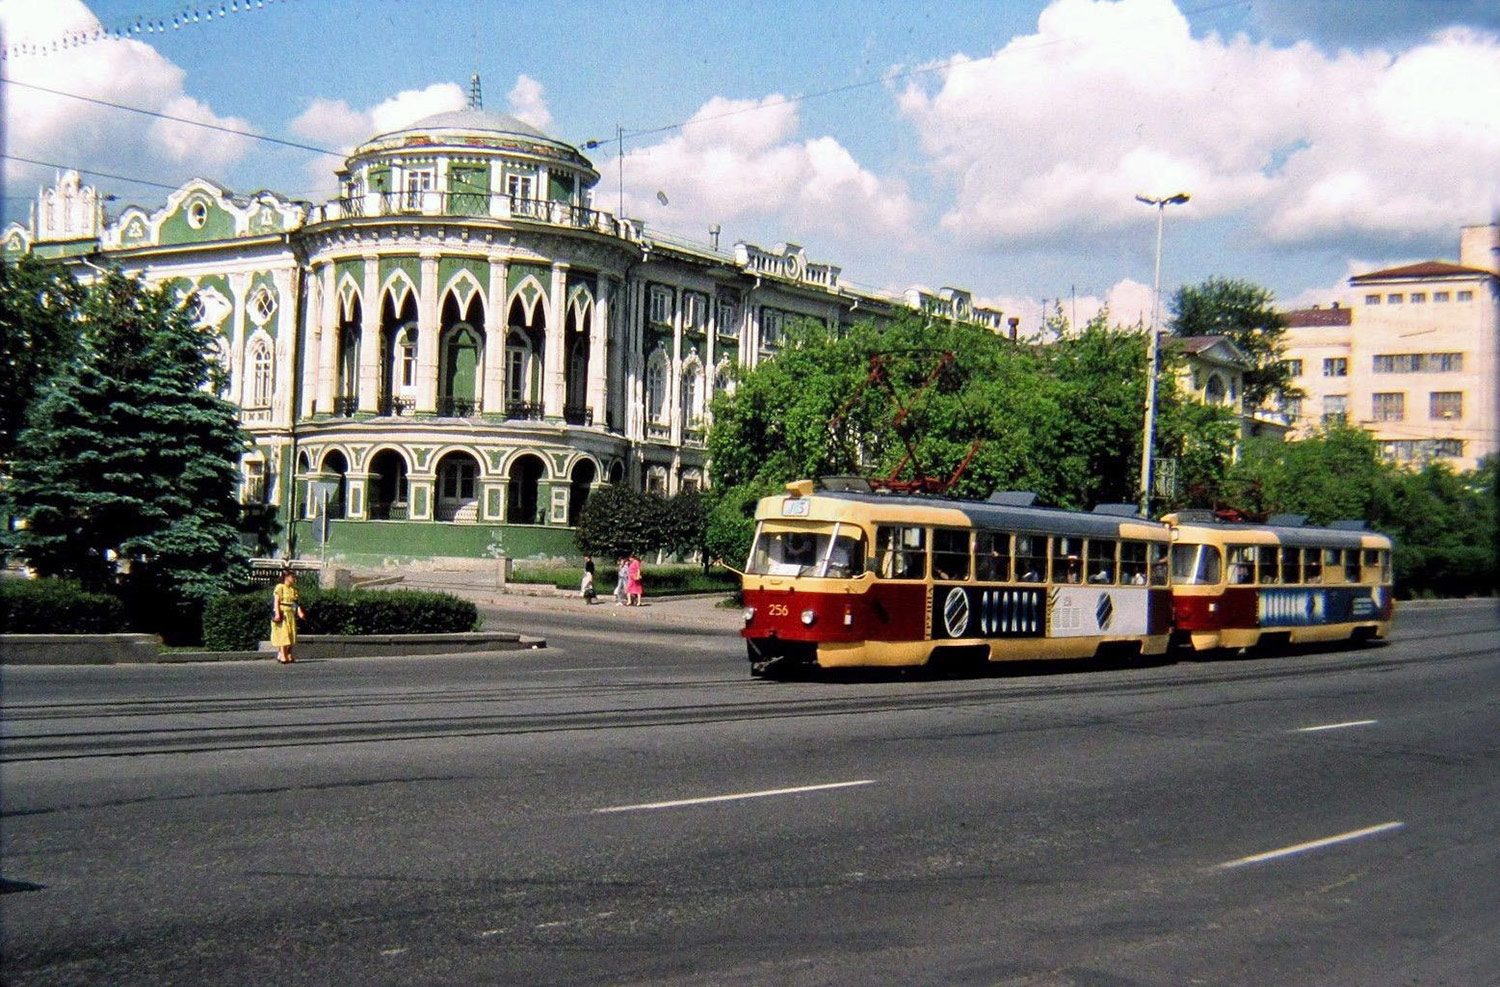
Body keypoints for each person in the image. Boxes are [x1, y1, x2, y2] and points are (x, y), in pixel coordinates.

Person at [270, 569, 306, 664]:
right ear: (286, 577)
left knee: (291, 634)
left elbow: (295, 603)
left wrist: (299, 612)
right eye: (292, 577)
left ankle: (289, 654)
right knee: (283, 634)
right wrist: (277, 613)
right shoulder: (280, 587)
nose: (294, 579)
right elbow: (276, 601)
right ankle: (283, 655)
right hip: (283, 613)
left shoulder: (293, 590)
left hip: (290, 614)